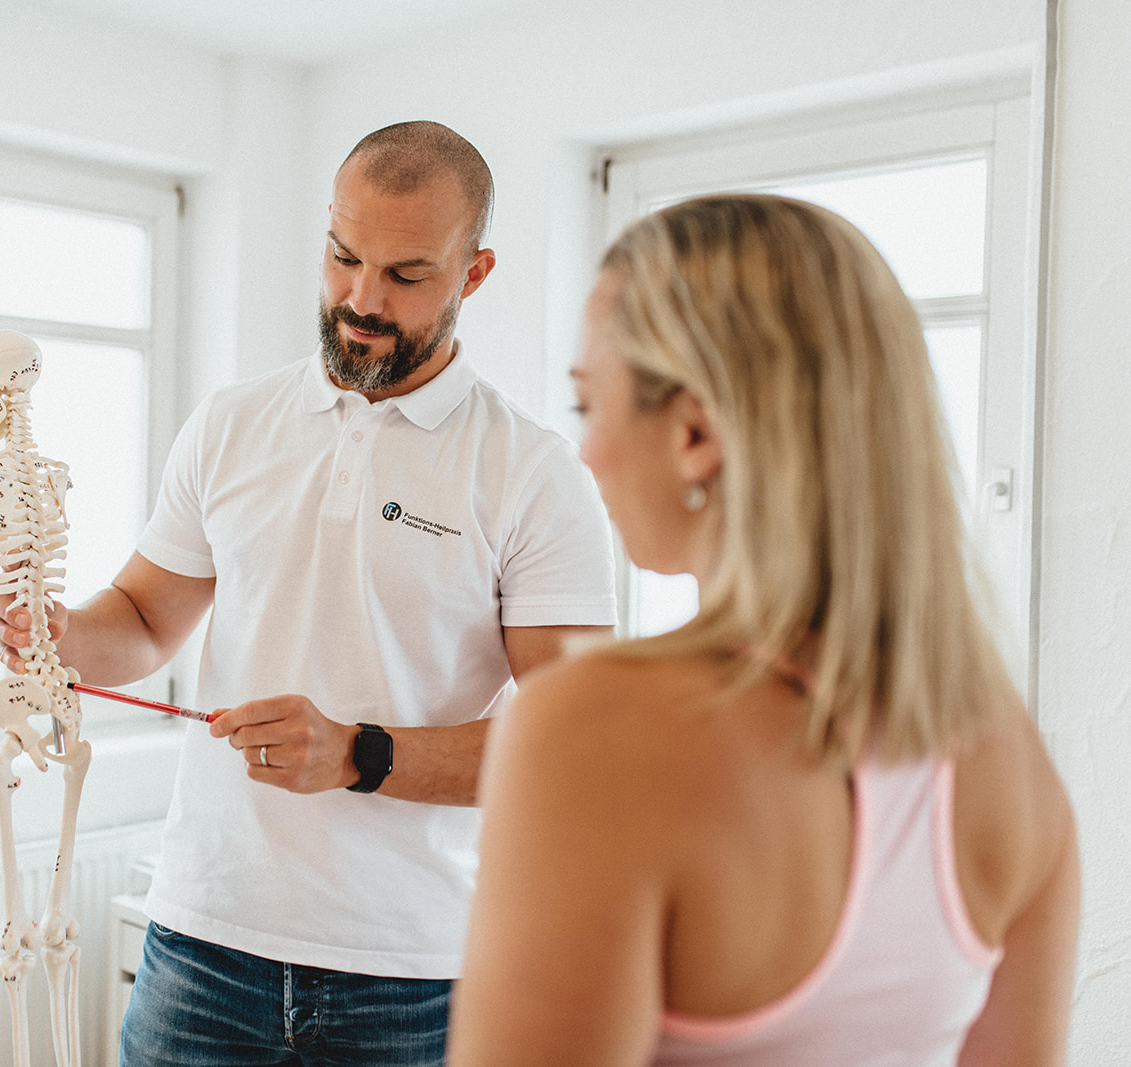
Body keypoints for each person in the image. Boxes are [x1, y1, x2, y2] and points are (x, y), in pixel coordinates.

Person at [0, 120, 618, 1066]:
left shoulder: (534, 473)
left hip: (414, 974)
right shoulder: (232, 424)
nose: (361, 299)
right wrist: (62, 635)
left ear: (473, 274)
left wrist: (360, 753)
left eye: (406, 275)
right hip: (201, 945)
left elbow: (577, 748)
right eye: (342, 255)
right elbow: (150, 616)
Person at [447, 194, 1079, 1065]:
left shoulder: (595, 727)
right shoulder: (1004, 754)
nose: (585, 452)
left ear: (697, 431)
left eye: (591, 405)